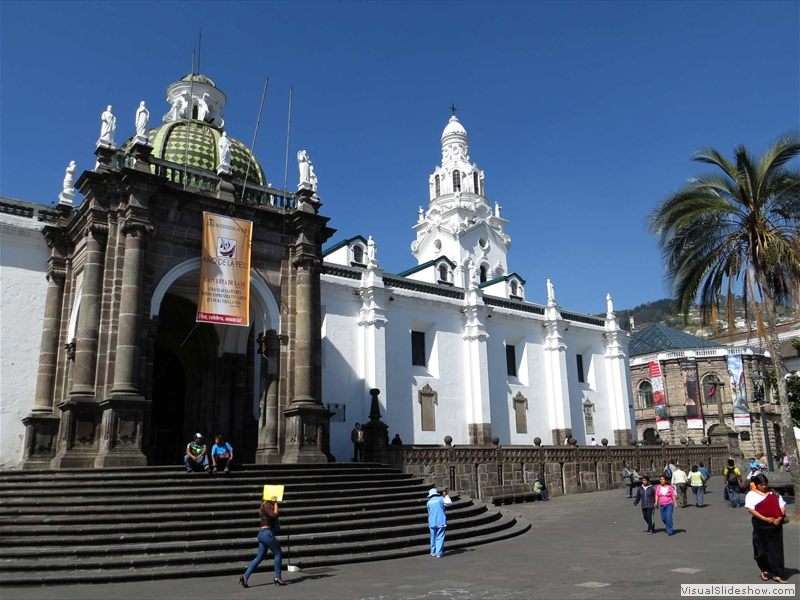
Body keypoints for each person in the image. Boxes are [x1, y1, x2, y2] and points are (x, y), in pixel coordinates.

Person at [745, 474, 787, 583]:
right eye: (761, 484)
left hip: (775, 525)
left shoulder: (774, 494)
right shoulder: (751, 495)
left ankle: (778, 573)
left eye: (765, 484)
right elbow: (751, 510)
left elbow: (782, 506)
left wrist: (779, 517)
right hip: (760, 525)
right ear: (757, 485)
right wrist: (765, 518)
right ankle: (765, 570)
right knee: (760, 550)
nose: (764, 486)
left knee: (776, 550)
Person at [240, 498, 286, 587]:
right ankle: (278, 577)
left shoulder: (265, 505)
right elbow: (274, 515)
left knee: (259, 557)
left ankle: (245, 576)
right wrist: (276, 504)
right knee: (278, 553)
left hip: (263, 534)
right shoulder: (267, 505)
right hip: (267, 534)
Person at [426, 488, 447, 558]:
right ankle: (438, 552)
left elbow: (429, 512)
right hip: (440, 520)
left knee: (433, 537)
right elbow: (448, 503)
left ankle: (433, 551)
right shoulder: (440, 499)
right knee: (440, 536)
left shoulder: (428, 502)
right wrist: (445, 495)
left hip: (432, 521)